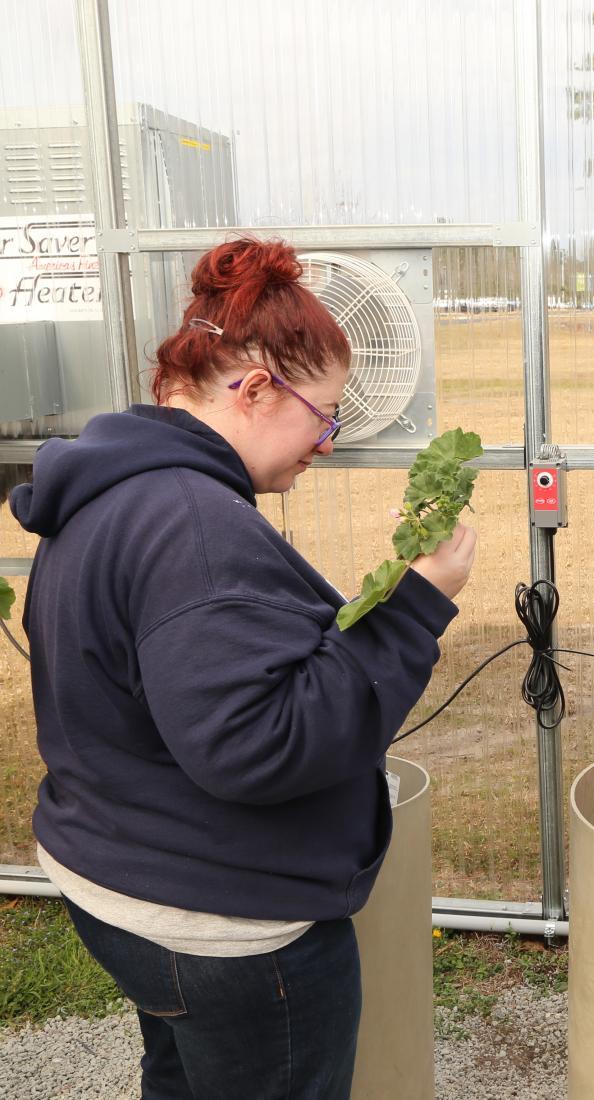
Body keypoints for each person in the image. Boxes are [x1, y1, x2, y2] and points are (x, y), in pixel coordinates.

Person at [10, 238, 477, 1099]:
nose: (329, 444)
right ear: (256, 390)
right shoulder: (195, 526)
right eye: (325, 416)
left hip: (119, 878)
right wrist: (418, 602)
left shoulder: (113, 492)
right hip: (219, 928)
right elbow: (261, 748)